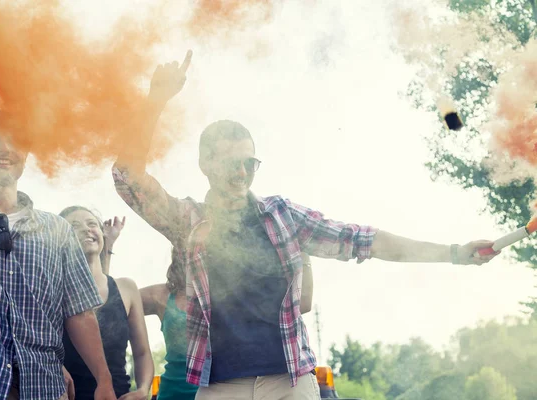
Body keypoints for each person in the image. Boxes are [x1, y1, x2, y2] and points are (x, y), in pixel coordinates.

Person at [112, 51, 498, 399]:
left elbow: (364, 241)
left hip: (290, 383)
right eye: (233, 164)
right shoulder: (187, 220)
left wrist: (454, 253)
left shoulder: (283, 216)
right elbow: (127, 177)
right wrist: (155, 102)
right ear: (206, 165)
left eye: (251, 163)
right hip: (218, 386)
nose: (243, 173)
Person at [0, 112, 117, 400]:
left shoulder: (57, 229)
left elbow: (80, 313)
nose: (4, 148)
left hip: (44, 387)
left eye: (14, 141)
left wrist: (104, 380)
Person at [139, 249, 314, 400]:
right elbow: (116, 303)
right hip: (174, 393)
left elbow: (302, 303)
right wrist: (109, 248)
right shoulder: (161, 295)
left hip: (226, 387)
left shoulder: (230, 290)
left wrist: (300, 251)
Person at [59, 208, 154, 400]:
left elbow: (142, 352)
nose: (86, 229)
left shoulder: (126, 288)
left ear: (101, 233)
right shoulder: (54, 289)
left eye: (92, 224)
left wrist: (143, 390)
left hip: (119, 395)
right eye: (74, 226)